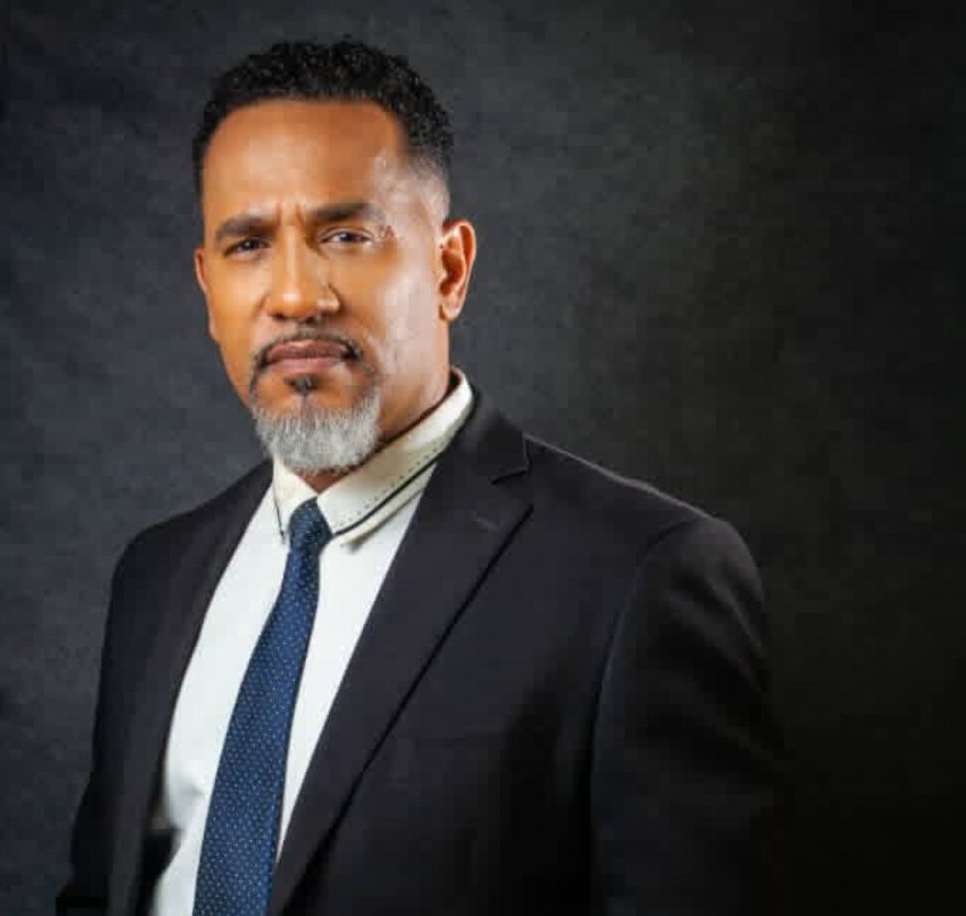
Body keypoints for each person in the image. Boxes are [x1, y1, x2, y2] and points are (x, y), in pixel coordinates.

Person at [57, 37, 779, 916]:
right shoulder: (156, 574)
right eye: (249, 244)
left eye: (346, 235)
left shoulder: (641, 575)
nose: (296, 296)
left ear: (449, 269)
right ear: (210, 290)